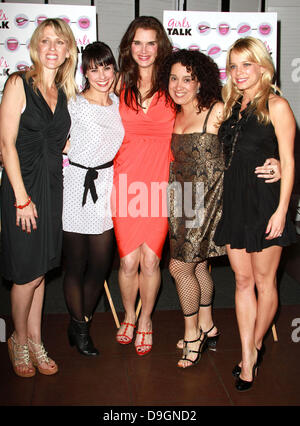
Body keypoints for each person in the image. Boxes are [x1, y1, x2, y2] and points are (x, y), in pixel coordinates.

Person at [160, 49, 282, 369]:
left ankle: (192, 336)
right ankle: (208, 326)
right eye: (174, 78)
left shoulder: (217, 110)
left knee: (179, 267)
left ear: (201, 82)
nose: (180, 85)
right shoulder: (170, 113)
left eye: (188, 78)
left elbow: (254, 140)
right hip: (182, 199)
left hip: (211, 200)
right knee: (197, 266)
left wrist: (279, 164)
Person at [214, 37, 296, 391]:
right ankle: (249, 350)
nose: (240, 72)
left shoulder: (276, 105)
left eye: (247, 64)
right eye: (234, 65)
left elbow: (290, 161)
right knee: (242, 282)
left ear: (263, 66)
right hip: (234, 203)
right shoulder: (230, 106)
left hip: (265, 204)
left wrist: (281, 211)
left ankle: (253, 349)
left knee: (265, 282)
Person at [0, 18, 77, 377]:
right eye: (45, 41)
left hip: (52, 190)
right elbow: (5, 145)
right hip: (23, 190)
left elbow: (63, 144)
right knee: (25, 274)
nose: (51, 48)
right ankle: (18, 339)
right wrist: (20, 198)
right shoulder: (18, 83)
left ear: (66, 51)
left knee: (42, 271)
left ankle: (35, 339)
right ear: (35, 46)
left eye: (59, 42)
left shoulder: (63, 93)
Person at [113, 16, 175, 355]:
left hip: (160, 186)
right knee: (127, 262)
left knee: (151, 261)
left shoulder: (174, 85)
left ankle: (146, 319)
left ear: (160, 46)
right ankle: (128, 315)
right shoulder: (117, 82)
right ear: (129, 46)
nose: (144, 49)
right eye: (138, 42)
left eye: (151, 42)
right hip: (124, 182)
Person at [62, 42, 124, 356]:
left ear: (115, 69)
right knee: (75, 264)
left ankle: (77, 321)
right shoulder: (73, 103)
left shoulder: (118, 104)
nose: (101, 75)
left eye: (106, 67)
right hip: (75, 185)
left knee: (100, 265)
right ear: (85, 71)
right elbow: (52, 136)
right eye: (93, 68)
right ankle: (81, 327)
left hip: (107, 185)